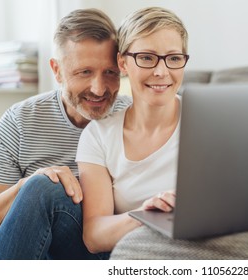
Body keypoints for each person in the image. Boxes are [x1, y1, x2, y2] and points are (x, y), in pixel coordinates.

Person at [0, 8, 131, 259]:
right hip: (33, 250)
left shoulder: (133, 118)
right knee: (42, 186)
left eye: (110, 72)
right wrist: (26, 187)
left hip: (103, 250)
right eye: (84, 72)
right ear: (56, 70)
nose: (99, 89)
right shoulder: (19, 121)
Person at [76, 6, 189, 255]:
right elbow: (94, 236)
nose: (161, 72)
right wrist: (145, 215)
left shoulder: (207, 118)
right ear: (122, 63)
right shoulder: (98, 136)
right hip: (139, 253)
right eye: (147, 58)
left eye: (174, 58)